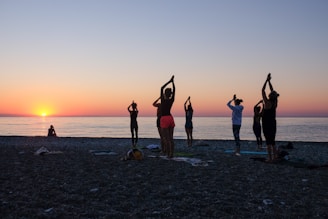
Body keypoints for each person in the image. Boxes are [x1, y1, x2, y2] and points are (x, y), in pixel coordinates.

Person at [262, 73, 279, 162]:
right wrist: (269, 82)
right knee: (273, 141)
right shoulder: (275, 103)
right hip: (273, 123)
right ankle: (275, 157)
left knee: (268, 142)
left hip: (266, 123)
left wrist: (266, 81)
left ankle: (270, 158)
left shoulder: (267, 103)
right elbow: (272, 90)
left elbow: (262, 90)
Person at [160, 75, 175, 158]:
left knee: (165, 138)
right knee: (171, 138)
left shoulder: (163, 100)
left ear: (165, 93)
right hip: (170, 118)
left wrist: (169, 81)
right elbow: (175, 90)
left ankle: (168, 154)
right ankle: (171, 154)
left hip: (164, 118)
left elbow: (161, 88)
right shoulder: (171, 100)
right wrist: (173, 83)